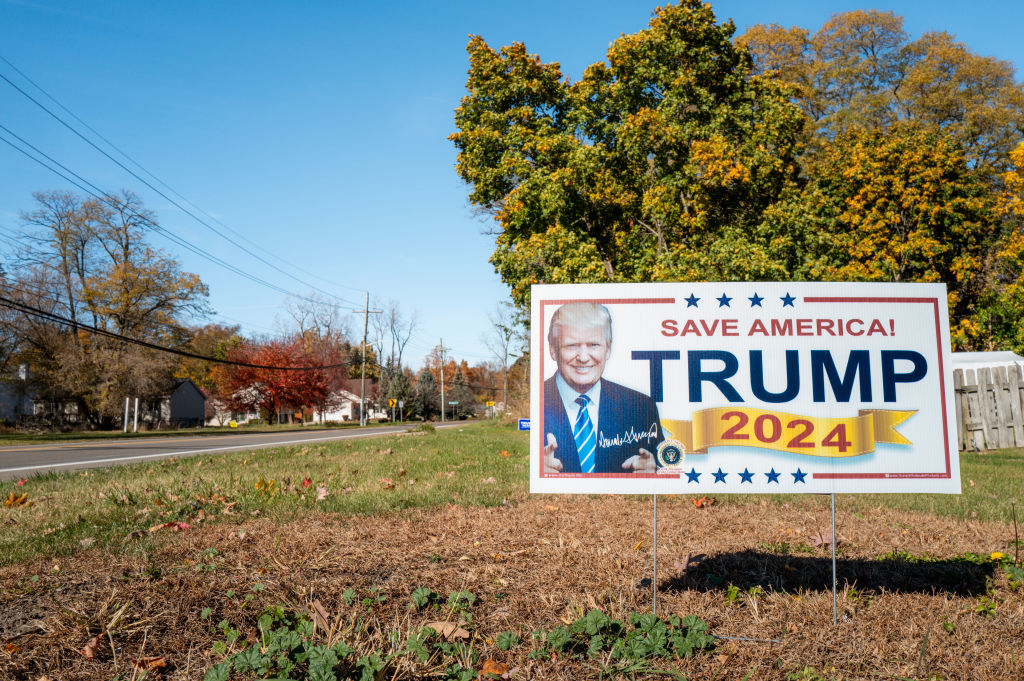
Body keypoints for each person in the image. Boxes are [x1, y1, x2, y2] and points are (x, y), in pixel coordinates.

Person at [543, 301, 663, 474]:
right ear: (553, 349)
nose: (583, 357)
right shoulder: (535, 401)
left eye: (593, 345)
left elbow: (667, 467)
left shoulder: (641, 407)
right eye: (572, 345)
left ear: (608, 348)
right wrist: (532, 469)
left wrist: (654, 472)